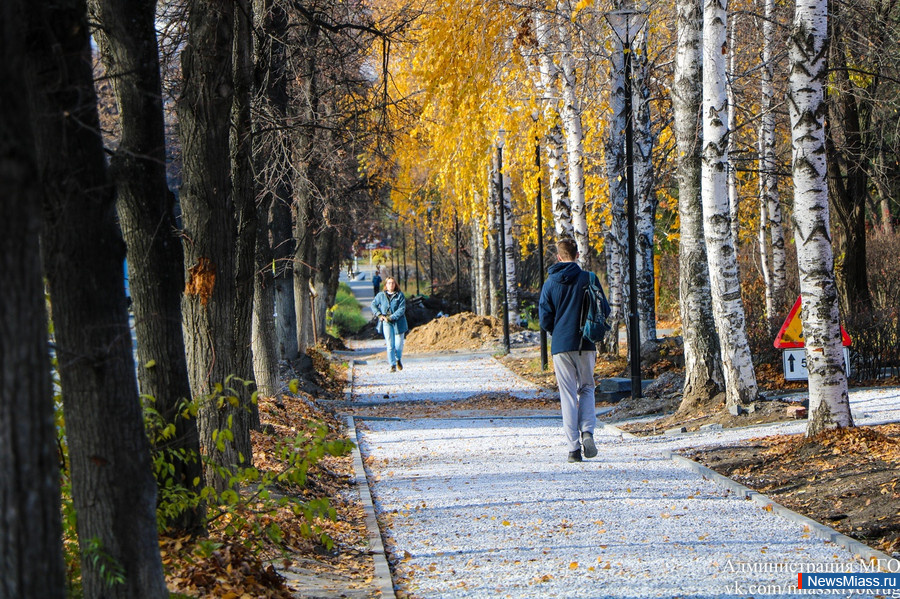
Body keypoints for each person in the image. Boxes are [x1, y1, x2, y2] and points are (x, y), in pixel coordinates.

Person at [538, 238, 600, 463]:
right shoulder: (588, 278)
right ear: (576, 255)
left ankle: (573, 449)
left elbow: (544, 318)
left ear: (559, 257)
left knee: (567, 394)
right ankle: (587, 432)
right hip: (586, 342)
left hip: (561, 346)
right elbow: (605, 309)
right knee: (587, 388)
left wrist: (559, 331)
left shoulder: (549, 283)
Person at [371, 277, 408, 372]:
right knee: (390, 345)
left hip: (399, 322)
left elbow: (402, 309)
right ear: (386, 285)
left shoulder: (400, 295)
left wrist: (392, 317)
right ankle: (392, 365)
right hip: (387, 323)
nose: (391, 285)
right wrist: (379, 315)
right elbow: (373, 305)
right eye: (389, 283)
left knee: (399, 345)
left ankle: (398, 359)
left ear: (395, 284)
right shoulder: (381, 295)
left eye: (393, 283)